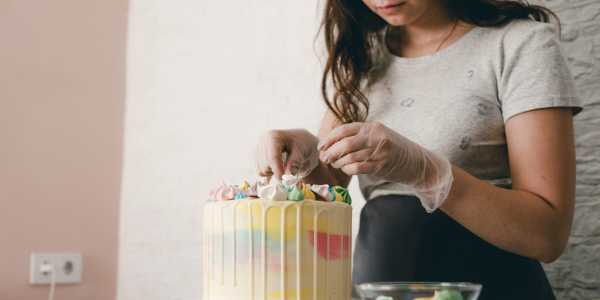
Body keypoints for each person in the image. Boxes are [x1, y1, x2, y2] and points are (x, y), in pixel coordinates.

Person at [255, 0, 582, 299]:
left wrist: (426, 171)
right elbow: (327, 189)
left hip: (490, 289)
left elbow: (547, 235)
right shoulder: (363, 54)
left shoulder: (520, 44)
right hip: (378, 287)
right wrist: (304, 157)